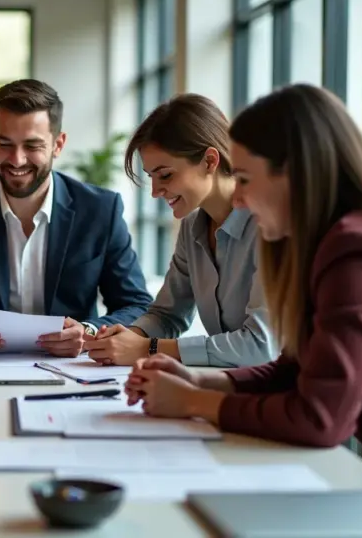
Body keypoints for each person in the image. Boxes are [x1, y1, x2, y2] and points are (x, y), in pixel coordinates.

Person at [125, 84, 362, 503]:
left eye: (244, 179)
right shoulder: (334, 241)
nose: (236, 197)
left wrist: (195, 403)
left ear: (293, 175)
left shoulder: (361, 247)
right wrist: (204, 382)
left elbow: (319, 419)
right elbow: (293, 370)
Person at [0, 79, 153, 358]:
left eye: (32, 146)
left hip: (72, 371)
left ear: (58, 145)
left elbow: (137, 305)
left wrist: (89, 332)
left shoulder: (99, 209)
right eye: (4, 144)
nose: (17, 160)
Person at [85, 94, 275, 368]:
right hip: (230, 385)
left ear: (210, 161)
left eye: (166, 175)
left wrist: (147, 348)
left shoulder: (269, 225)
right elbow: (167, 315)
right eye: (151, 177)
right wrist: (128, 337)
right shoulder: (192, 227)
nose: (154, 192)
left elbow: (259, 346)